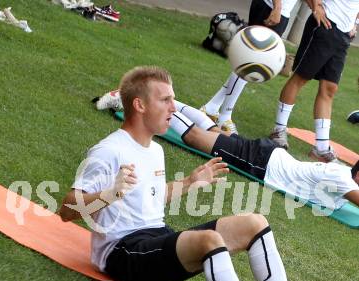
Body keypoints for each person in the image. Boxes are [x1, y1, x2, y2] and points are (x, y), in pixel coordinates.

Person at [61, 66, 342, 281]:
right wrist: (110, 193)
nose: (173, 107)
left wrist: (191, 183)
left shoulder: (154, 149)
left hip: (154, 236)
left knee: (254, 222)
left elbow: (150, 196)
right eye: (165, 100)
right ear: (139, 105)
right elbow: (66, 210)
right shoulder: (108, 150)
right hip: (122, 252)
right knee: (210, 241)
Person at [95, 90, 359, 210]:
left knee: (212, 133)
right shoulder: (342, 178)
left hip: (269, 156)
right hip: (262, 162)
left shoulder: (342, 175)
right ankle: (131, 99)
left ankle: (168, 102)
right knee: (196, 138)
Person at [270, 0, 359, 161]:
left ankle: (321, 147)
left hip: (344, 35)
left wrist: (356, 23)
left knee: (330, 88)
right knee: (301, 77)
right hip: (324, 24)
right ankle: (278, 130)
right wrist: (315, 7)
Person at [201, 0, 299, 133]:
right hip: (271, 8)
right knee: (249, 62)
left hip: (277, 10)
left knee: (250, 62)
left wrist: (316, 8)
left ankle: (211, 107)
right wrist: (277, 8)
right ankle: (224, 117)